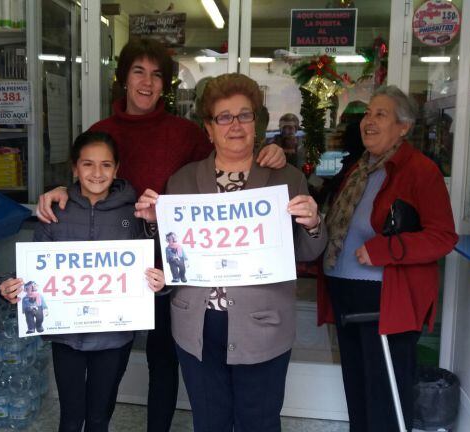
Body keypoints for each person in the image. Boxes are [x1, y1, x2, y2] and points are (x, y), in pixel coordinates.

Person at [35, 38, 286, 432]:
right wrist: (61, 190)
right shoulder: (102, 130)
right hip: (111, 272)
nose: (147, 82)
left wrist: (271, 154)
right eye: (138, 71)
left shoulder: (185, 133)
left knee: (164, 360)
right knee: (106, 358)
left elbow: (229, 154)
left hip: (172, 269)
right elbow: (89, 179)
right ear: (123, 78)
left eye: (156, 74)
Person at [134, 73, 326, 432]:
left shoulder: (287, 179)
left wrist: (314, 222)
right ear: (209, 128)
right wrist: (154, 222)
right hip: (197, 325)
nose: (235, 125)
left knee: (259, 422)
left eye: (244, 115)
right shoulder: (183, 181)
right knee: (210, 422)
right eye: (224, 117)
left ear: (257, 123)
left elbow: (308, 251)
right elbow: (175, 255)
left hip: (262, 325)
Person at [0, 131, 166, 432]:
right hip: (67, 335)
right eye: (88, 164)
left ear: (117, 169)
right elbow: (34, 269)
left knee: (100, 416)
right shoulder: (56, 211)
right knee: (71, 417)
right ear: (74, 168)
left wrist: (157, 278)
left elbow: (150, 257)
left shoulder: (134, 210)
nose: (97, 173)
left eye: (106, 165)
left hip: (114, 334)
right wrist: (13, 287)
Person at [317, 85, 458, 432]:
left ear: (404, 126)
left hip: (386, 299)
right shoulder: (359, 168)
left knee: (386, 392)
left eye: (381, 114)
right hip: (345, 290)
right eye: (368, 113)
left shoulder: (420, 170)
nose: (369, 121)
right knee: (358, 384)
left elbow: (443, 237)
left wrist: (383, 251)